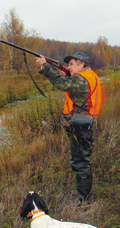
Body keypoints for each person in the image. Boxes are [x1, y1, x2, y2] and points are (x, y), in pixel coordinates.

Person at [36, 52, 103, 207]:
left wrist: (45, 67)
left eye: (72, 64)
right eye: (69, 64)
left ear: (82, 65)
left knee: (81, 161)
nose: (69, 67)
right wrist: (68, 75)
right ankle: (83, 191)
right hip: (82, 123)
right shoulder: (88, 76)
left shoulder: (82, 80)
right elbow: (73, 88)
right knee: (80, 159)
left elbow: (61, 84)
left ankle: (84, 199)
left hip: (80, 125)